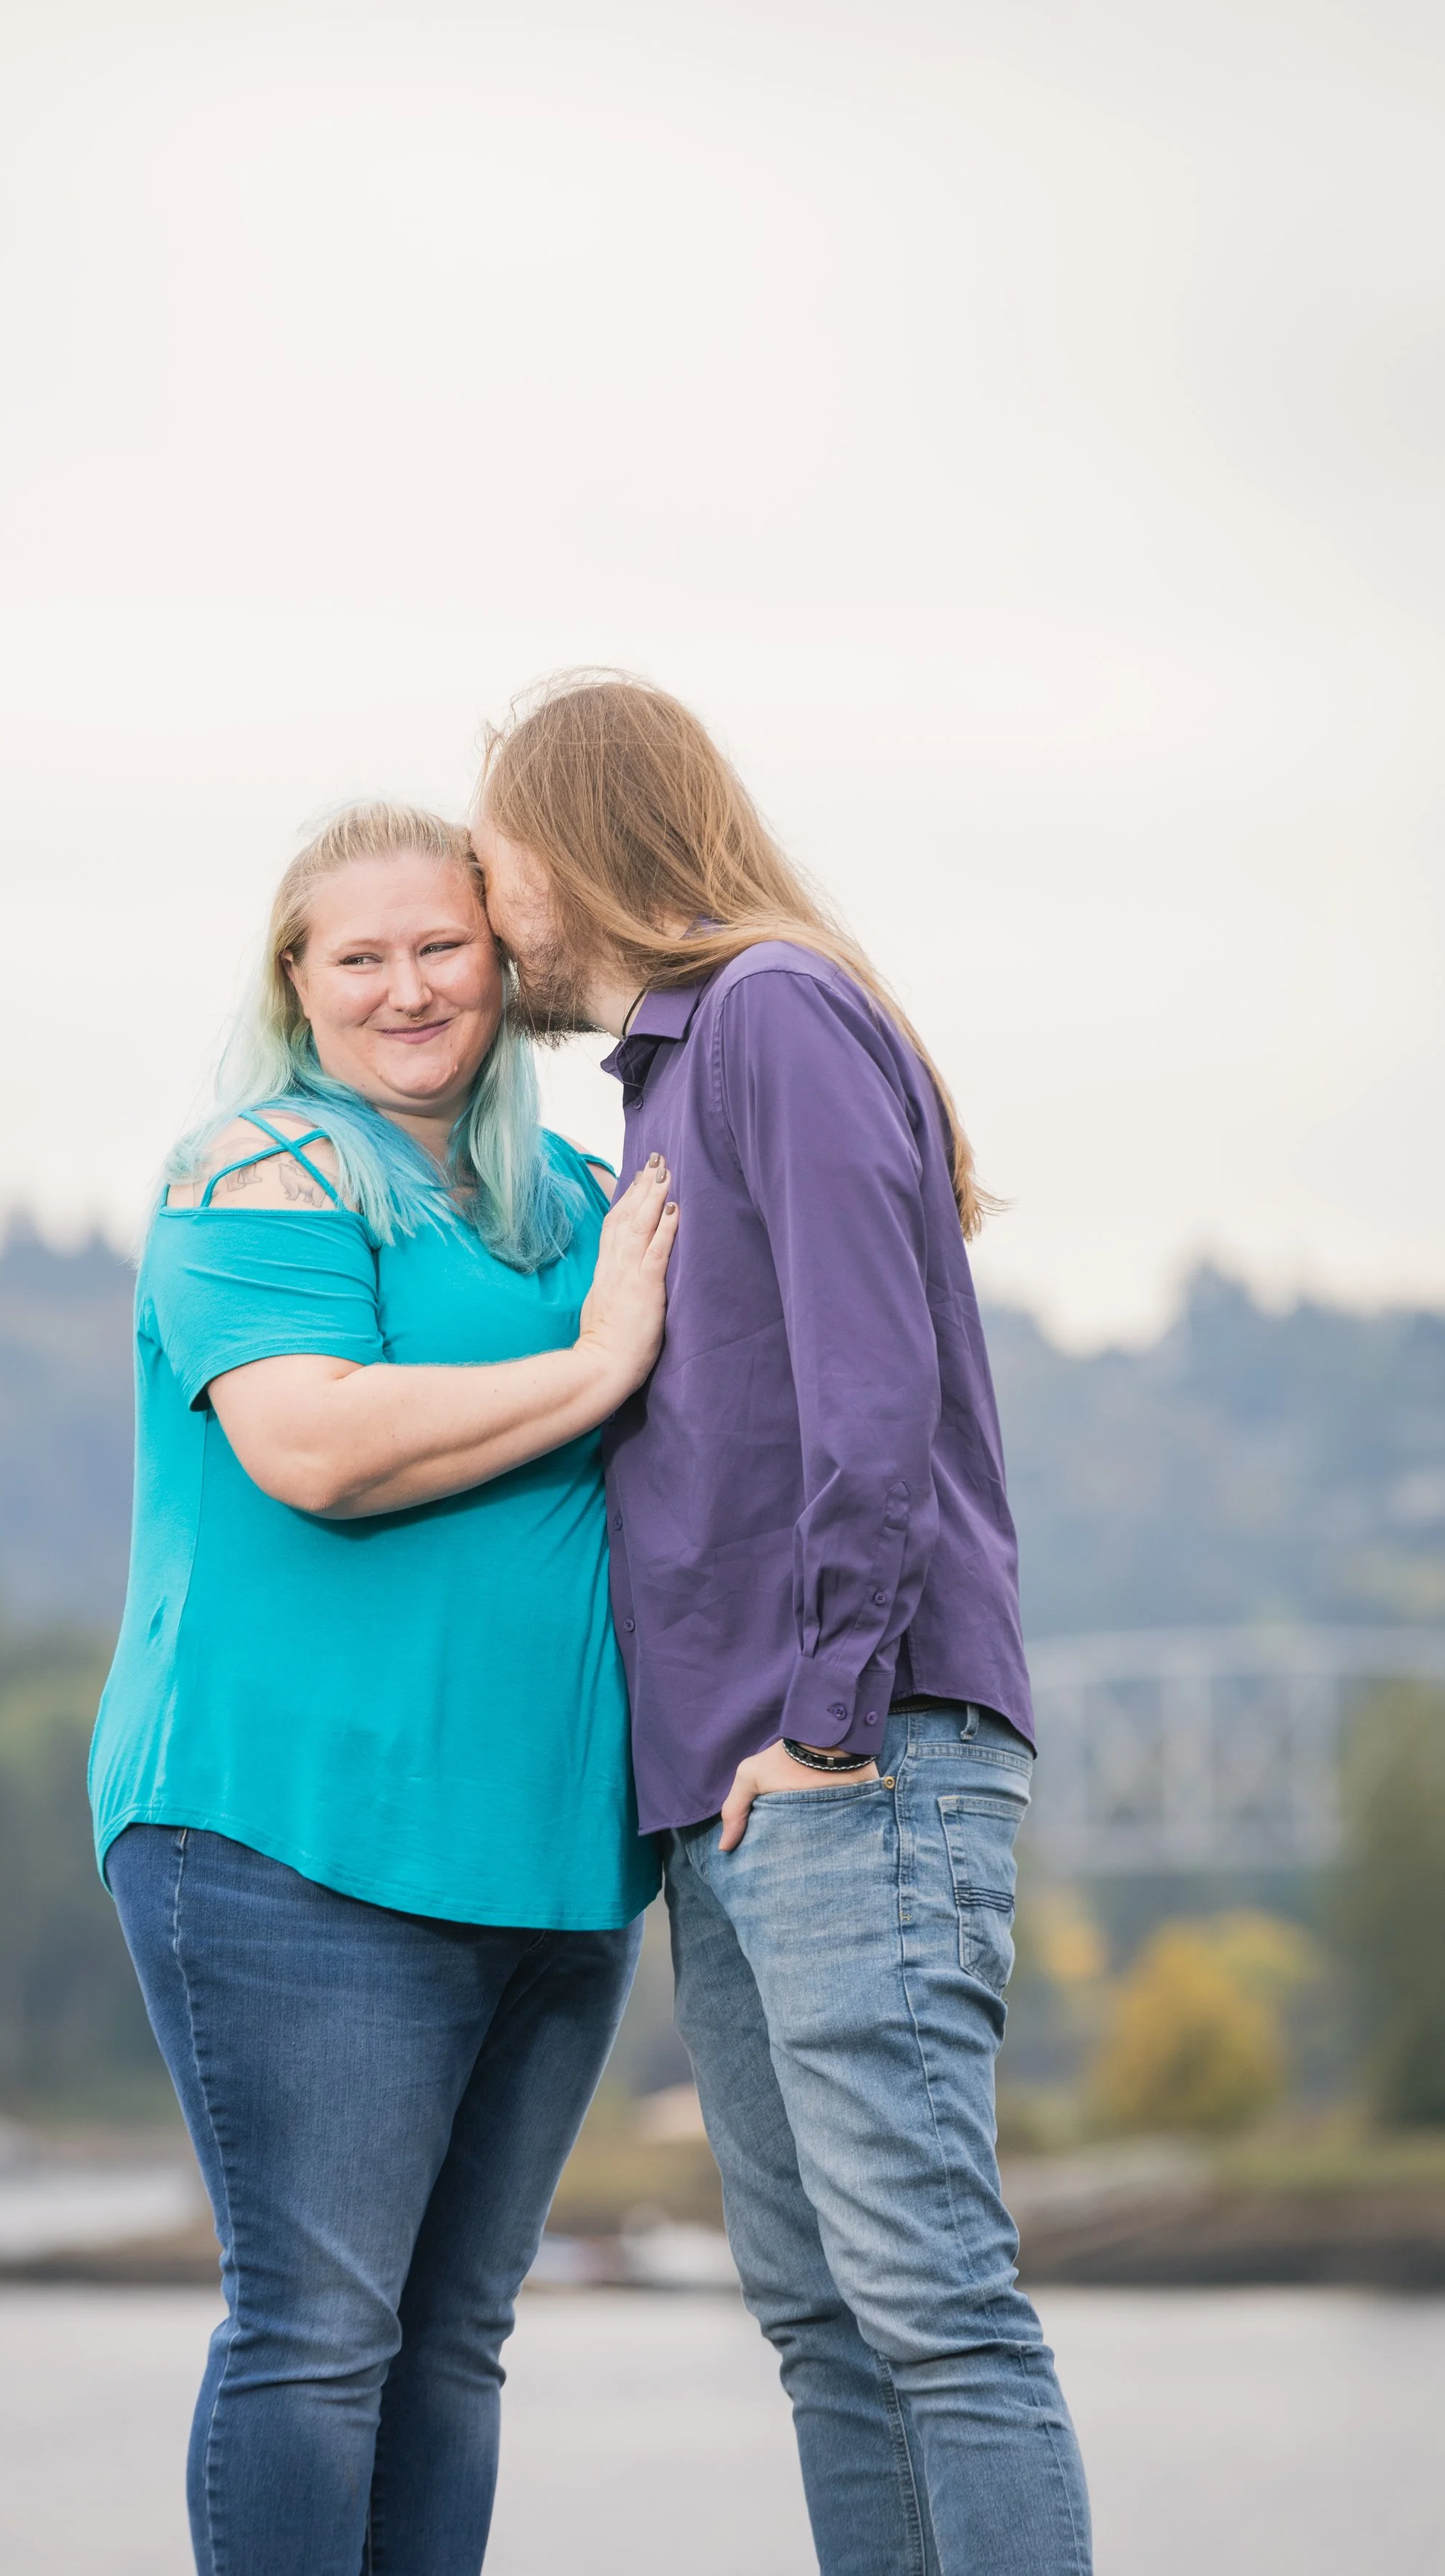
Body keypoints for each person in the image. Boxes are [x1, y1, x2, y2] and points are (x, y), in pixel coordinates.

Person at [472, 678, 1094, 2576]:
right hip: (728, 1795)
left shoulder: (772, 1014)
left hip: (847, 1753)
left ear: (577, 846)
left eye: (495, 874)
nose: (492, 929)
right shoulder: (675, 1068)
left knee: (929, 2300)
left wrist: (822, 1719)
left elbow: (873, 1388)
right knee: (825, 2320)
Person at [88, 800, 676, 2576]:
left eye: (443, 945)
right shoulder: (254, 1172)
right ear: (298, 981)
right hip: (292, 1835)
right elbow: (314, 1446)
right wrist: (597, 1366)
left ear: (502, 962)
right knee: (319, 2336)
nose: (407, 986)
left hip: (549, 1857)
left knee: (454, 2343)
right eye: (361, 955)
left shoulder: (573, 1200)